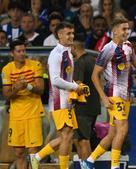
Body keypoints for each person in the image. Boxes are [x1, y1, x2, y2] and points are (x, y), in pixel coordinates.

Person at [80, 17, 136, 169]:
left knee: (112, 134)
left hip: (126, 96)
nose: (126, 31)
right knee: (123, 129)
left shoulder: (129, 45)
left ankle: (89, 161)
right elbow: (95, 75)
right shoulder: (107, 49)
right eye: (123, 29)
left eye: (127, 29)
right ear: (114, 31)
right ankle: (115, 166)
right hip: (113, 95)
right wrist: (103, 97)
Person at [30, 22, 85, 169]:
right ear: (59, 35)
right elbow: (54, 80)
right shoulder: (56, 54)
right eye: (68, 33)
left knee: (66, 136)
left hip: (66, 100)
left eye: (72, 33)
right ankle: (62, 166)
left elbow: (64, 77)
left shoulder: (67, 53)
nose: (71, 36)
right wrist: (75, 86)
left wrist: (76, 85)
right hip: (58, 101)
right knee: (67, 136)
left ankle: (37, 157)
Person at [2, 39, 44, 169]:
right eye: (19, 51)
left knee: (33, 152)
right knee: (19, 152)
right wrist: (17, 89)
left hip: (33, 113)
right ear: (12, 53)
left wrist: (28, 86)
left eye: (23, 50)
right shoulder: (7, 69)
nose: (22, 53)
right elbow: (7, 94)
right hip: (16, 116)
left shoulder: (35, 65)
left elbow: (41, 90)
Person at [71, 40, 101, 160]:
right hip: (94, 106)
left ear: (74, 47)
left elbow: (78, 85)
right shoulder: (93, 60)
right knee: (81, 138)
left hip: (83, 107)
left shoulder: (79, 62)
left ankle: (87, 167)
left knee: (83, 140)